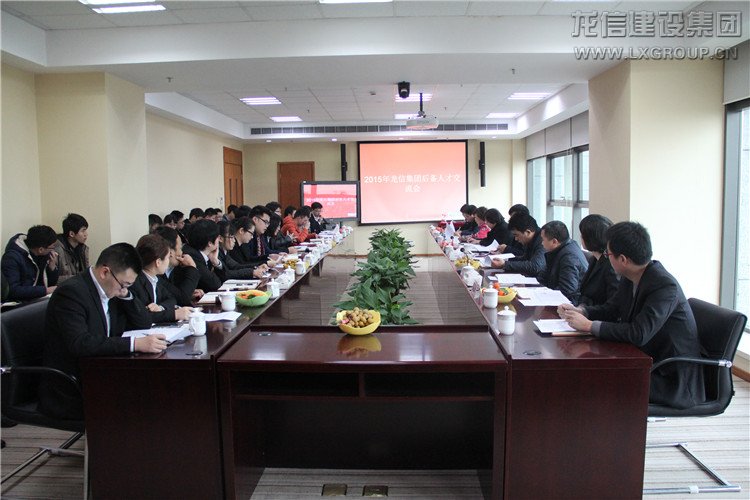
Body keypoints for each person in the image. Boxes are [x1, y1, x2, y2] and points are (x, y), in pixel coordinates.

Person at [559, 222, 704, 409]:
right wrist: (582, 312)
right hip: (645, 360)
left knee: (594, 378)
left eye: (608, 254)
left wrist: (588, 325)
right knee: (588, 369)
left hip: (671, 378)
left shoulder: (664, 286)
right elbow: (613, 308)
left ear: (623, 259)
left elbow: (639, 333)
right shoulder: (632, 276)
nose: (606, 258)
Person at [39, 243, 164, 419]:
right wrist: (134, 344)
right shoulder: (71, 293)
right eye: (124, 284)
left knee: (154, 389)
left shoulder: (113, 289)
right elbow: (79, 343)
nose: (124, 289)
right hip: (72, 386)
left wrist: (126, 295)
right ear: (105, 272)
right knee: (144, 400)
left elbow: (143, 322)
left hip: (102, 372)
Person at [132, 234, 192, 323]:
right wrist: (174, 314)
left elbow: (171, 299)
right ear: (158, 262)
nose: (168, 261)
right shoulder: (135, 283)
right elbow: (141, 317)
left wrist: (160, 307)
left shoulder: (155, 278)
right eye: (167, 258)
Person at [2, 225, 59, 301]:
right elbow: (13, 290)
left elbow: (51, 284)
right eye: (52, 247)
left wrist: (52, 268)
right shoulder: (12, 258)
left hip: (38, 299)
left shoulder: (44, 255)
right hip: (20, 303)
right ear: (41, 249)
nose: (54, 251)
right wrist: (45, 290)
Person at [537, 220, 588, 304]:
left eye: (543, 240)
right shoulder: (559, 250)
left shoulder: (569, 257)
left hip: (571, 304)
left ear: (554, 241)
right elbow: (543, 276)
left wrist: (544, 294)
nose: (542, 243)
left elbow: (567, 290)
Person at [153, 226, 202, 306]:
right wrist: (192, 268)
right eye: (180, 248)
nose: (182, 252)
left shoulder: (174, 268)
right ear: (170, 252)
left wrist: (189, 293)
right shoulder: (155, 273)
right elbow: (183, 298)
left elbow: (179, 295)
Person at [578, 214, 619, 307]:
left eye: (582, 234)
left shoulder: (611, 264)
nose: (581, 237)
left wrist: (584, 310)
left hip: (599, 314)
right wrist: (581, 307)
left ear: (590, 238)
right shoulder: (594, 259)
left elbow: (613, 304)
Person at [182, 219, 226, 292]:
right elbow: (215, 284)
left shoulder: (202, 253)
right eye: (218, 237)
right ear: (209, 243)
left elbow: (223, 279)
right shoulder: (193, 255)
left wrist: (215, 262)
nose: (219, 239)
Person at [54, 213, 90, 283]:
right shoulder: (57, 249)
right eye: (83, 231)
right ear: (71, 234)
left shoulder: (83, 249)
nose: (86, 234)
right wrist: (77, 278)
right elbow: (52, 279)